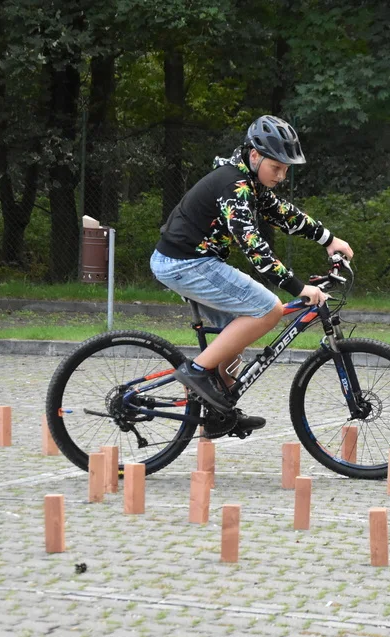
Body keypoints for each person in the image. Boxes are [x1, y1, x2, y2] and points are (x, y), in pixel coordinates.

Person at [151, 115, 354, 431]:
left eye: (287, 169)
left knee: (233, 340)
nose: (282, 176)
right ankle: (195, 374)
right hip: (186, 263)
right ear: (255, 155)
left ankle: (218, 413)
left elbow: (283, 214)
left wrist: (329, 239)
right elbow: (254, 246)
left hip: (191, 261)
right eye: (277, 167)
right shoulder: (234, 185)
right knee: (269, 309)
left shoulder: (251, 181)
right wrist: (298, 287)